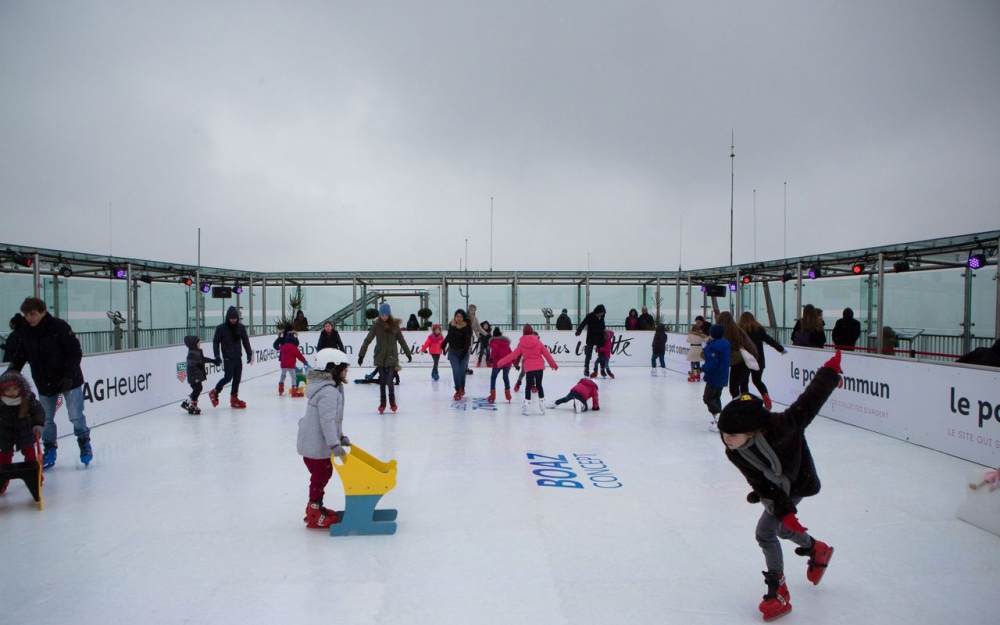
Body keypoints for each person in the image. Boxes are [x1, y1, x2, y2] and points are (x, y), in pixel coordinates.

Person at [716, 350, 842, 621]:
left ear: (751, 430)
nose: (726, 439)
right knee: (782, 529)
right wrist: (782, 510)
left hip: (797, 483)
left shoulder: (784, 427)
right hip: (775, 490)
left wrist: (830, 373)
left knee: (765, 534)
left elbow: (809, 401)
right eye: (723, 433)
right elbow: (758, 480)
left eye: (732, 434)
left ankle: (779, 591)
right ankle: (817, 549)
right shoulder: (734, 451)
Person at [6, 297, 93, 469]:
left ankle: (84, 441)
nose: (29, 318)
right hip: (44, 381)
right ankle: (50, 447)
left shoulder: (59, 326)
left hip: (68, 379)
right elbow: (21, 354)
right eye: (26, 315)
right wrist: (11, 372)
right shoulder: (26, 331)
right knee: (45, 419)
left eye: (32, 314)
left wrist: (69, 375)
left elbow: (75, 351)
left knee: (75, 414)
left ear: (43, 312)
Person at [296, 348, 352, 530]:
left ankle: (315, 508)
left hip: (317, 442)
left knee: (323, 475)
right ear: (332, 368)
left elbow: (334, 419)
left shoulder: (332, 388)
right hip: (316, 445)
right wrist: (334, 444)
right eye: (343, 368)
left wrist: (340, 436)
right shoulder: (328, 391)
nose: (346, 372)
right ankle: (314, 514)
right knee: (321, 476)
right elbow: (327, 421)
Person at [357, 302, 412, 414]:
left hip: (392, 356)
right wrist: (361, 355)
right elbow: (368, 340)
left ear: (389, 315)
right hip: (380, 357)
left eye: (386, 315)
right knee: (382, 381)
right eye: (382, 315)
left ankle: (392, 402)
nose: (384, 317)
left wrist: (408, 353)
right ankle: (382, 403)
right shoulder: (376, 325)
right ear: (380, 315)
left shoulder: (394, 326)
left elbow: (401, 340)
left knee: (389, 381)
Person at [497, 324, 558, 416]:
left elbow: (513, 355)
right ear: (532, 332)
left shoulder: (522, 344)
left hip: (529, 368)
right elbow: (546, 353)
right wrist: (553, 364)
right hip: (539, 367)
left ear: (524, 333)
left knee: (528, 386)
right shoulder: (538, 342)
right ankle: (542, 404)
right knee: (539, 385)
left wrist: (501, 362)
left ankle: (527, 406)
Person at [0, 371, 45, 480]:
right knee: (4, 456)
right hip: (6, 434)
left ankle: (34, 475)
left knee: (30, 455)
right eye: (8, 390)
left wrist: (38, 424)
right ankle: (3, 479)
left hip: (25, 431)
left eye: (15, 389)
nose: (12, 392)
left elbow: (38, 411)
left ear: (20, 389)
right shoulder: (1, 403)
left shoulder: (28, 399)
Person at [738, 312, 787, 410]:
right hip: (758, 360)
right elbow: (769, 340)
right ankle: (766, 397)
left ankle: (745, 402)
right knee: (757, 381)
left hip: (744, 360)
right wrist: (780, 349)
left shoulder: (740, 330)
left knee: (744, 382)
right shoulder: (758, 329)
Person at [209, 306, 253, 409]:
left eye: (235, 318)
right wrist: (217, 355)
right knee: (228, 377)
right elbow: (216, 342)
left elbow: (245, 341)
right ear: (228, 318)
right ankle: (215, 392)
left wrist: (249, 353)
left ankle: (234, 398)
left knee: (237, 378)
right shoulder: (221, 328)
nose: (233, 320)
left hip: (238, 356)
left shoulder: (241, 327)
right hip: (228, 357)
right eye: (231, 318)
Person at [718, 311, 759, 399]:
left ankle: (739, 404)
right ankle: (745, 403)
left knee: (734, 388)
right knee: (743, 385)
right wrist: (754, 357)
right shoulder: (738, 330)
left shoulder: (723, 333)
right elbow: (750, 346)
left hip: (738, 362)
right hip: (745, 361)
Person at [701, 324, 730, 433]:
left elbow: (713, 362)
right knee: (716, 397)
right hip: (723, 375)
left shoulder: (713, 346)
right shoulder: (725, 344)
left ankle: (718, 418)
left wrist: (702, 368)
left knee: (708, 397)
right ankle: (720, 419)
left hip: (714, 376)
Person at [440, 309, 473, 400]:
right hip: (453, 351)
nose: (458, 318)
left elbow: (467, 341)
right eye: (457, 316)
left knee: (462, 371)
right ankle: (458, 389)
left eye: (461, 317)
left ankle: (462, 387)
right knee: (456, 370)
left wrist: (464, 352)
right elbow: (449, 335)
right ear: (455, 317)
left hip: (463, 351)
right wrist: (444, 343)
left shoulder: (466, 327)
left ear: (463, 318)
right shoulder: (452, 324)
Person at [181, 335, 217, 414]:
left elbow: (202, 359)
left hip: (196, 375)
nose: (199, 344)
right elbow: (190, 361)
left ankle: (190, 403)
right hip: (193, 376)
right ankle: (189, 403)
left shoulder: (197, 351)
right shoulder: (192, 353)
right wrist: (198, 364)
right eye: (198, 343)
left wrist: (212, 361)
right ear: (194, 344)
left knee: (198, 388)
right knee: (198, 388)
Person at [575, 304, 606, 377]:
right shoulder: (590, 316)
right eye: (602, 312)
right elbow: (583, 324)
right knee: (588, 354)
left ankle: (602, 369)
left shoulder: (602, 317)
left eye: (603, 313)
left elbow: (603, 326)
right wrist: (578, 331)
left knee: (601, 355)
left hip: (600, 338)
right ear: (598, 311)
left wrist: (605, 332)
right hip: (591, 337)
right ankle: (586, 369)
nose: (602, 314)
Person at [487, 327, 514, 403]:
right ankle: (508, 394)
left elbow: (494, 349)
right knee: (505, 377)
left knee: (493, 377)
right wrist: (515, 363)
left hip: (497, 363)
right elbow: (511, 353)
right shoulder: (506, 343)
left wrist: (491, 358)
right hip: (507, 363)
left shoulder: (493, 341)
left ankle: (492, 395)